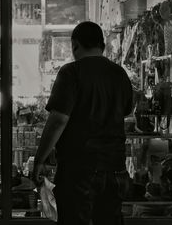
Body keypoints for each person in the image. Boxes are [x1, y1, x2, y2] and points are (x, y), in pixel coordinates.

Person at [33, 21, 133, 225]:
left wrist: (39, 160)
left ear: (75, 45)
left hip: (80, 170)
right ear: (102, 46)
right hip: (116, 169)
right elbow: (127, 111)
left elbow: (58, 121)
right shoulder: (120, 74)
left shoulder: (71, 72)